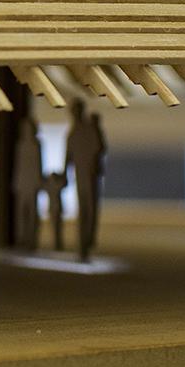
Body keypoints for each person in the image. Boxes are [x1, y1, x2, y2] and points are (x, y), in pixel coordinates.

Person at [65, 99, 108, 261]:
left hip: (89, 174)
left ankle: (88, 240)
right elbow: (68, 156)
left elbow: (101, 148)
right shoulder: (73, 132)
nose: (74, 114)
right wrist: (64, 174)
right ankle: (83, 243)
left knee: (90, 207)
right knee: (83, 208)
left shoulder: (89, 128)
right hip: (79, 175)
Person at [10, 112, 45, 250]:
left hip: (32, 183)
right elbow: (18, 165)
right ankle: (21, 237)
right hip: (22, 182)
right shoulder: (20, 145)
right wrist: (15, 181)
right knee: (21, 212)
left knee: (32, 212)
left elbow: (39, 164)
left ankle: (31, 238)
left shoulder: (36, 145)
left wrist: (38, 181)